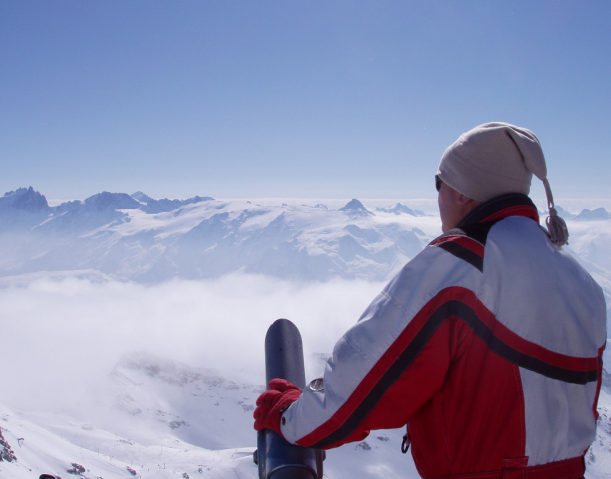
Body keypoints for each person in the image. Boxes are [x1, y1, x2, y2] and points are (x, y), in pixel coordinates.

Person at [254, 122, 607, 478]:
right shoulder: (582, 282)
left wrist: (287, 414)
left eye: (439, 184)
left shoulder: (457, 267)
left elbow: (355, 392)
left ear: (462, 193)